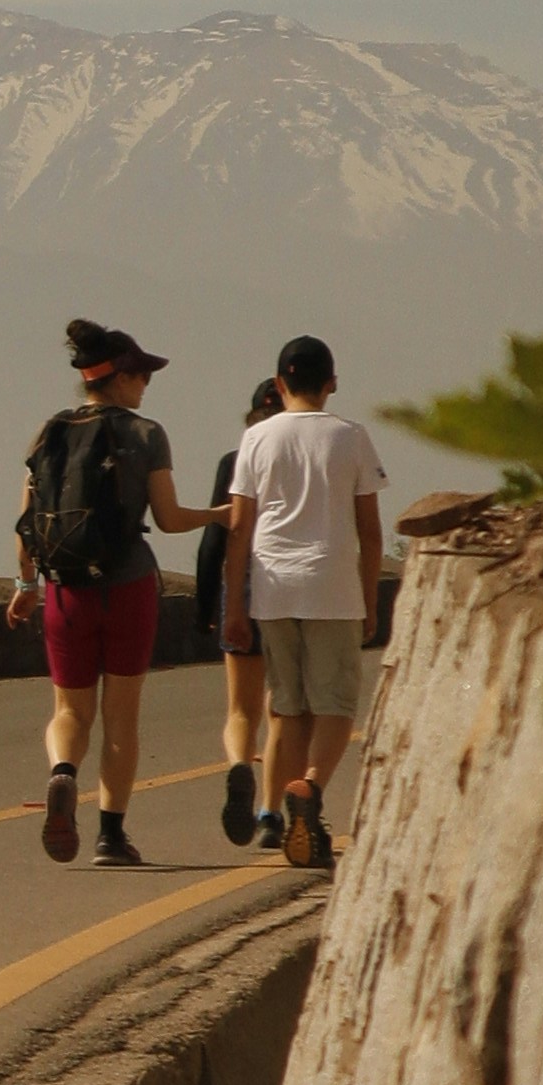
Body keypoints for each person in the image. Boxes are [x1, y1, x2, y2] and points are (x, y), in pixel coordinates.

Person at [8, 317, 218, 867]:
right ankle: (110, 836)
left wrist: (26, 584)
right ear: (120, 378)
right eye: (142, 374)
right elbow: (169, 520)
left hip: (64, 593)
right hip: (127, 588)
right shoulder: (146, 434)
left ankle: (61, 774)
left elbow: (26, 523)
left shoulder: (48, 431)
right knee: (121, 715)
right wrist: (225, 514)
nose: (147, 384)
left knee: (70, 711)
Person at [231, 332, 386, 871]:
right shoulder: (352, 437)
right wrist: (369, 600)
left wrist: (234, 602)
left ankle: (300, 815)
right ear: (332, 384)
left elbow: (238, 528)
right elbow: (370, 531)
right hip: (333, 586)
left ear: (279, 384)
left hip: (273, 588)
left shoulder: (256, 439)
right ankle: (312, 789)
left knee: (290, 707)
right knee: (336, 706)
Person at [195, 374, 284, 848]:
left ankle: (237, 767)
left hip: (242, 585)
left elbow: (216, 538)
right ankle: (271, 814)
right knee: (281, 705)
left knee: (240, 709)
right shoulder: (300, 458)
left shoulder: (234, 462)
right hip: (292, 587)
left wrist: (206, 604)